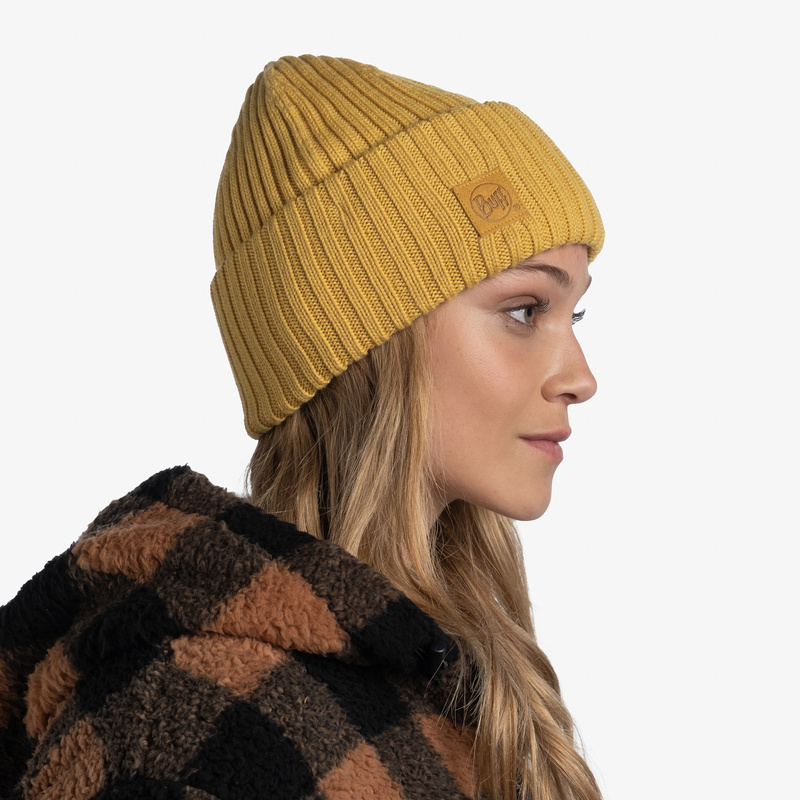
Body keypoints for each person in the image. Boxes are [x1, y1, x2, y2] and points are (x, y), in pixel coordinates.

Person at [0, 55, 604, 800]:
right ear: (365, 345)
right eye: (525, 310)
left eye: (575, 313)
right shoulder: (184, 725)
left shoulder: (439, 676)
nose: (580, 377)